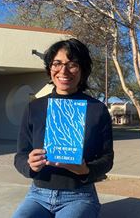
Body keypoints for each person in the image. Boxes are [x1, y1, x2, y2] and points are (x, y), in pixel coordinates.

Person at [12, 38, 114, 218]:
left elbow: (107, 158)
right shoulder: (34, 108)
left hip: (79, 196)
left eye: (72, 64)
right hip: (37, 195)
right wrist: (29, 165)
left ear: (83, 70)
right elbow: (20, 155)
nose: (64, 71)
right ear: (50, 68)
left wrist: (86, 170)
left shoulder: (97, 109)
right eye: (57, 64)